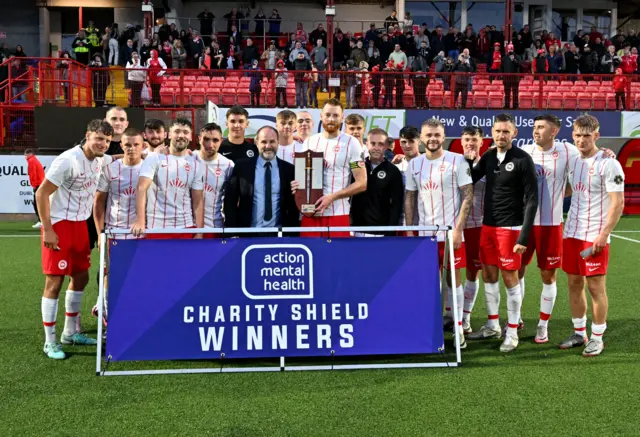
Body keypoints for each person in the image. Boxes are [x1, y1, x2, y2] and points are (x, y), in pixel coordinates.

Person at [35, 120, 114, 359]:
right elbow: (41, 193)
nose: (103, 144)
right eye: (99, 138)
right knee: (55, 281)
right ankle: (50, 342)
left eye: (107, 140)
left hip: (81, 224)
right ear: (87, 135)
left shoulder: (102, 159)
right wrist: (47, 229)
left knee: (81, 276)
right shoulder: (67, 160)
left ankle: (70, 333)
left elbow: (119, 155)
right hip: (59, 224)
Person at [464, 113, 538, 353]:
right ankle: (492, 324)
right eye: (497, 131)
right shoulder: (487, 157)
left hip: (511, 228)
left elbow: (532, 200)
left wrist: (523, 236)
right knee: (488, 275)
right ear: (492, 133)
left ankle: (513, 331)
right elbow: (469, 179)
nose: (501, 135)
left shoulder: (523, 159)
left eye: (506, 131)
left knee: (510, 278)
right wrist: (465, 161)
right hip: (488, 226)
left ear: (514, 133)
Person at [404, 119, 474, 348]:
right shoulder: (414, 164)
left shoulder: (457, 161)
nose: (432, 139)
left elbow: (468, 196)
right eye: (428, 135)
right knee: (427, 281)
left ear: (443, 137)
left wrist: (458, 231)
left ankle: (459, 327)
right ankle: (428, 326)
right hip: (425, 236)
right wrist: (410, 230)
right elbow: (410, 197)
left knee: (454, 281)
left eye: (437, 135)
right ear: (422, 138)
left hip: (449, 234)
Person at [560, 115, 625, 357]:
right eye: (577, 135)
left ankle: (597, 337)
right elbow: (569, 190)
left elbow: (618, 203)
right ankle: (579, 333)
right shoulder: (573, 161)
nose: (581, 140)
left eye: (587, 136)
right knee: (574, 284)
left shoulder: (610, 164)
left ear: (596, 136)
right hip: (572, 233)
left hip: (594, 235)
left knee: (595, 287)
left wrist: (604, 234)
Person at [92, 128, 145, 324]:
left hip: (142, 233)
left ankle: (133, 317)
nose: (131, 149)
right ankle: (107, 317)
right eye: (128, 145)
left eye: (136, 145)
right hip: (115, 232)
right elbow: (98, 203)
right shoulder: (110, 170)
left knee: (137, 276)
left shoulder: (150, 168)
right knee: (110, 275)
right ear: (121, 145)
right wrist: (100, 233)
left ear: (143, 146)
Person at [295, 99, 367, 238]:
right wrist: (296, 185)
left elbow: (362, 183)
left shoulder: (352, 144)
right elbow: (303, 177)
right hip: (310, 213)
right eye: (327, 115)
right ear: (321, 116)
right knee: (311, 257)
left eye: (335, 115)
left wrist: (332, 197)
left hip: (338, 214)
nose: (331, 119)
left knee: (337, 258)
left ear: (342, 117)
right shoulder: (310, 142)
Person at [131, 118, 204, 239]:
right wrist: (140, 220)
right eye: (177, 131)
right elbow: (141, 188)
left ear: (191, 137)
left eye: (185, 132)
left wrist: (200, 231)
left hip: (185, 226)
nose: (181, 135)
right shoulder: (154, 158)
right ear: (169, 134)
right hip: (157, 226)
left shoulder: (195, 164)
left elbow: (198, 201)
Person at [224, 126, 299, 230]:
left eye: (272, 141)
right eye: (264, 142)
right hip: (248, 234)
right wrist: (232, 231)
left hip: (280, 234)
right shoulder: (242, 167)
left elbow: (293, 205)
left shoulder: (289, 170)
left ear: (278, 142)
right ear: (256, 142)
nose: (268, 146)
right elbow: (230, 201)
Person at [350, 128, 403, 237]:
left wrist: (390, 233)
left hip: (380, 232)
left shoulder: (393, 171)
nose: (376, 148)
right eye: (373, 143)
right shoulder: (356, 166)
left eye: (380, 144)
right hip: (354, 230)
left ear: (386, 146)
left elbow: (396, 204)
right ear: (367, 144)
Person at [459, 127, 486, 333]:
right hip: (456, 225)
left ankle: (465, 317)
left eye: (474, 139)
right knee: (450, 273)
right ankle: (451, 315)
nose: (470, 143)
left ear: (481, 141)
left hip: (478, 225)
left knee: (472, 272)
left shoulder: (486, 164)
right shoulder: (453, 162)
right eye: (467, 139)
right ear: (461, 141)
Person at [193, 123, 234, 233]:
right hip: (189, 226)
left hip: (215, 227)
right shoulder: (188, 159)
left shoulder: (228, 165)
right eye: (206, 139)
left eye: (215, 140)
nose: (210, 145)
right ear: (199, 139)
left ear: (221, 141)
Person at [25, 149, 45, 229]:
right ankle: (41, 220)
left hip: (38, 185)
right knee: (37, 203)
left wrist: (34, 185)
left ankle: (41, 221)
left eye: (25, 155)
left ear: (29, 154)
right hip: (40, 184)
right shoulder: (34, 160)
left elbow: (33, 174)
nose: (25, 157)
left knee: (37, 204)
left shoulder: (31, 161)